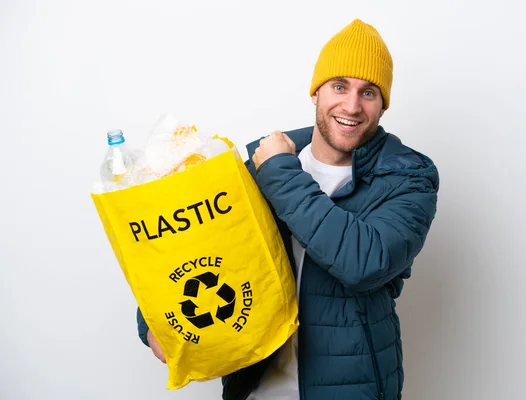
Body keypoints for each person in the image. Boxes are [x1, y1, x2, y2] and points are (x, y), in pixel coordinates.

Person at [137, 18, 439, 400]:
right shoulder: (260, 161)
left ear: (383, 106)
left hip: (351, 390)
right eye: (339, 86)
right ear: (316, 92)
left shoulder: (408, 176)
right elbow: (196, 245)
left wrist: (280, 173)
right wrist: (152, 322)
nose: (351, 105)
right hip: (255, 386)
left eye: (369, 93)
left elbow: (363, 263)